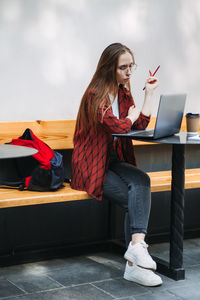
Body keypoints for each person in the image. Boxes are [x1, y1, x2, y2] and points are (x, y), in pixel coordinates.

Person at [71, 43, 162, 286]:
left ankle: (135, 251)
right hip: (91, 164)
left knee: (142, 180)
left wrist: (149, 94)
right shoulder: (95, 95)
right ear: (109, 68)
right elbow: (117, 125)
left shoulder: (123, 91)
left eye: (131, 66)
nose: (129, 72)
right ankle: (134, 263)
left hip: (112, 159)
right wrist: (130, 118)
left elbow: (139, 125)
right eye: (123, 67)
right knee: (136, 198)